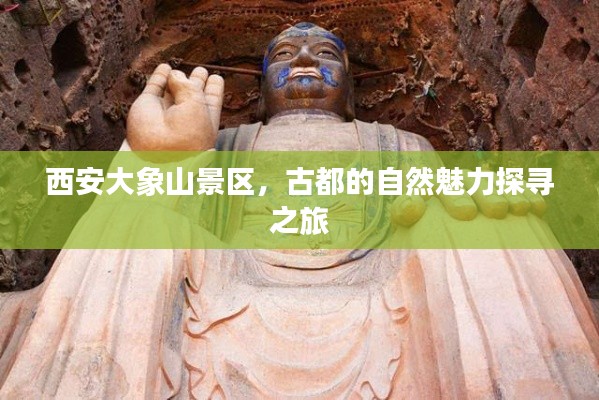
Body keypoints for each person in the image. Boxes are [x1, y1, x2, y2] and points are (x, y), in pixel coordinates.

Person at [1, 23, 598, 399]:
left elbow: (428, 211)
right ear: (260, 87)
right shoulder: (226, 142)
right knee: (137, 218)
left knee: (488, 220)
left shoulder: (398, 142)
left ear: (351, 86)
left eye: (326, 53)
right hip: (224, 288)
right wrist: (166, 157)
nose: (306, 59)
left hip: (379, 286)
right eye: (285, 53)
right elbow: (173, 218)